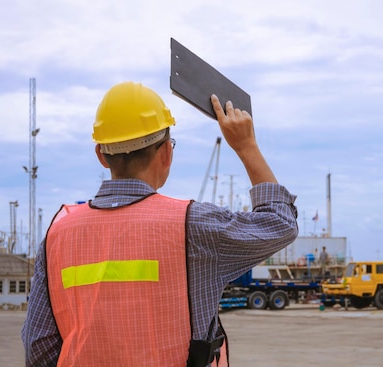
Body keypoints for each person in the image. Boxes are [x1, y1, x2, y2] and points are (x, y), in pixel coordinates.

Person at [21, 81, 298, 366]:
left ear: (102, 155)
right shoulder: (192, 226)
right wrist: (246, 145)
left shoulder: (58, 234)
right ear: (166, 152)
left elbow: (39, 346)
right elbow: (279, 223)